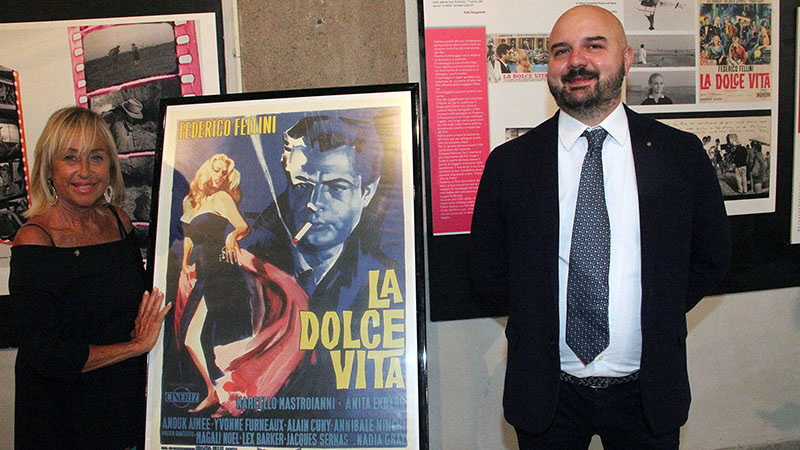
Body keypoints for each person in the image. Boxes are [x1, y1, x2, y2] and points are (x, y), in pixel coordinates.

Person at [470, 6, 730, 449]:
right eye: (561, 51)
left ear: (626, 59)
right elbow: (487, 270)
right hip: (547, 393)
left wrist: (657, 309)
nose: (576, 61)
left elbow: (712, 257)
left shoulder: (679, 155)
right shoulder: (511, 164)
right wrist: (536, 317)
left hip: (647, 392)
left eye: (594, 46)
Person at [10, 106, 171, 450]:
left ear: (110, 166)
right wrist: (135, 348)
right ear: (49, 167)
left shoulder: (119, 222)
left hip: (125, 412)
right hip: (62, 422)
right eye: (70, 157)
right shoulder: (35, 240)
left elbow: (139, 309)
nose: (84, 171)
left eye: (96, 157)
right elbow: (46, 354)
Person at [249, 114, 401, 401]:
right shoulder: (246, 268)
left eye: (336, 187)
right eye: (302, 185)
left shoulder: (388, 280)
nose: (314, 203)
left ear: (366, 192)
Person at [175, 153, 253, 414]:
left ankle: (230, 399)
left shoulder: (222, 198)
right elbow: (189, 237)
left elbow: (243, 226)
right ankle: (213, 392)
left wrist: (232, 236)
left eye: (224, 173)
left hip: (222, 271)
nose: (219, 176)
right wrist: (185, 263)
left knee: (222, 339)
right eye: (216, 170)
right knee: (190, 338)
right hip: (203, 271)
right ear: (207, 170)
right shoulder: (190, 201)